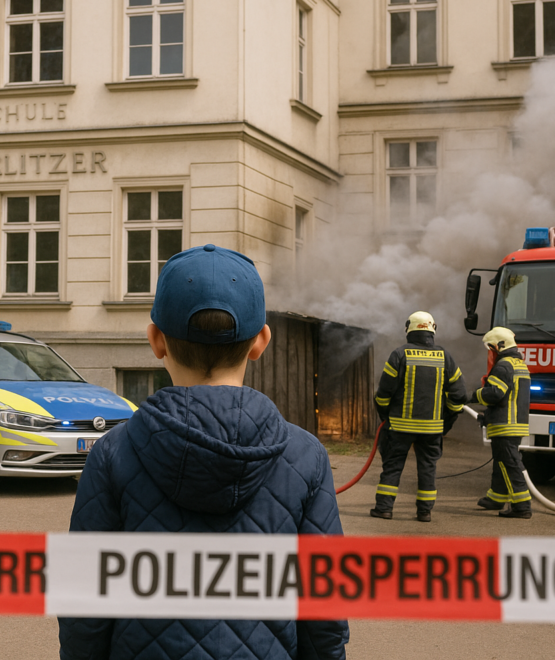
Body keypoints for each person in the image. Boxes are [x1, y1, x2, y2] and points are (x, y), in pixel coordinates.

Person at [58, 243, 349, 660]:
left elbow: (82, 609)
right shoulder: (305, 456)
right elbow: (326, 613)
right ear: (261, 341)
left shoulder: (112, 454)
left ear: (156, 340)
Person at [370, 311, 467, 523]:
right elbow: (459, 396)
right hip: (432, 429)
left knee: (393, 466)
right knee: (428, 468)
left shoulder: (399, 354)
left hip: (400, 427)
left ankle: (384, 509)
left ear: (409, 329)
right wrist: (446, 421)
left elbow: (383, 393)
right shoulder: (445, 356)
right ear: (433, 329)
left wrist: (386, 416)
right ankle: (424, 512)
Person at [474, 326, 533, 519]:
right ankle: (496, 497)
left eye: (491, 349)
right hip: (514, 422)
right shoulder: (519, 364)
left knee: (509, 464)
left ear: (499, 346)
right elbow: (510, 398)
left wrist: (472, 396)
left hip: (506, 425)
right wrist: (489, 417)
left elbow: (495, 394)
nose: (490, 353)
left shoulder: (503, 366)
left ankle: (521, 506)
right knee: (501, 461)